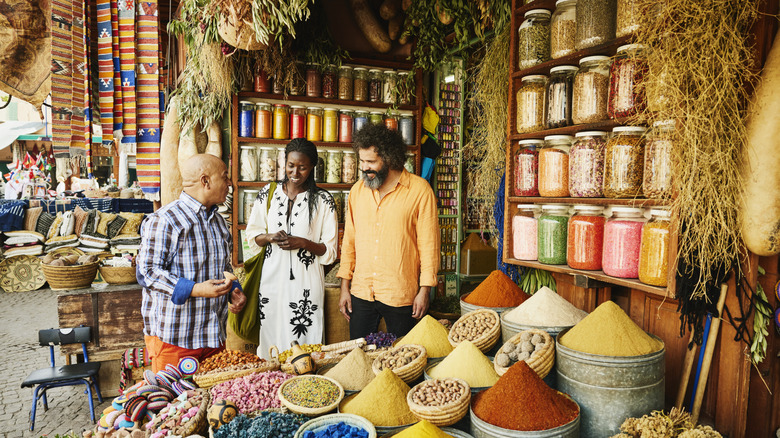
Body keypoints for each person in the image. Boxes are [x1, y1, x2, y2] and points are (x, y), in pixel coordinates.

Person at [137, 154, 247, 372]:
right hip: (176, 339)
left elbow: (223, 268)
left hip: (213, 337)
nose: (229, 184)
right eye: (225, 177)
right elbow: (147, 272)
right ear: (205, 181)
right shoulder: (166, 219)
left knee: (210, 401)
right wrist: (195, 289)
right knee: (174, 404)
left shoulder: (218, 222)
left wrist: (234, 289)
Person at [337, 124, 440, 339]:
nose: (364, 167)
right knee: (360, 358)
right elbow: (349, 242)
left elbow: (429, 246)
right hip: (362, 292)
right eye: (362, 161)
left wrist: (425, 290)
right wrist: (345, 287)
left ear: (390, 158)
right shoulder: (357, 191)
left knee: (404, 359)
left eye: (371, 162)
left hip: (402, 294)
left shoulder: (420, 191)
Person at [245, 138, 338, 359]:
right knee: (271, 334)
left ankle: (304, 383)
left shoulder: (324, 200)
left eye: (302, 167)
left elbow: (331, 251)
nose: (295, 172)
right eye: (290, 165)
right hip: (271, 281)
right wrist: (269, 237)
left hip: (306, 282)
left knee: (307, 339)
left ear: (313, 166)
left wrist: (303, 243)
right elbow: (252, 236)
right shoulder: (268, 193)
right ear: (284, 163)